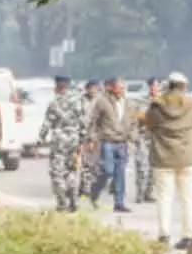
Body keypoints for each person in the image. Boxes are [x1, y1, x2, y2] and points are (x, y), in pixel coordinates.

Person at [145, 72, 192, 249]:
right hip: (187, 156)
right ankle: (188, 235)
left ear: (169, 85)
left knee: (164, 198)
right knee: (187, 199)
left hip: (163, 156)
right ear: (184, 86)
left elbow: (149, 124)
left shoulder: (157, 105)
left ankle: (164, 235)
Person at [88, 77, 136, 213]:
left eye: (123, 87)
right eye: (119, 87)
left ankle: (119, 202)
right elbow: (93, 121)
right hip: (108, 141)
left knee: (120, 173)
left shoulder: (129, 103)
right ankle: (95, 191)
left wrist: (132, 138)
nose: (121, 90)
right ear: (112, 88)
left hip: (122, 142)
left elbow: (133, 123)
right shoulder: (103, 102)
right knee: (107, 171)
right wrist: (92, 138)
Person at [41, 76, 88, 212]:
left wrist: (40, 140)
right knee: (71, 170)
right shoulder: (79, 101)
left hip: (59, 141)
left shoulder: (54, 103)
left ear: (58, 87)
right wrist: (82, 139)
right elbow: (84, 122)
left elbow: (47, 124)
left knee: (57, 173)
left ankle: (62, 203)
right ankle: (74, 201)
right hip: (74, 140)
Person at [131, 78, 160, 204]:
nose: (154, 88)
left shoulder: (163, 102)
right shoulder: (140, 101)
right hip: (143, 137)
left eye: (157, 86)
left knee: (154, 168)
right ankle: (140, 193)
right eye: (153, 86)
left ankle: (149, 192)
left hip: (157, 138)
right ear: (149, 87)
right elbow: (135, 119)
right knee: (142, 166)